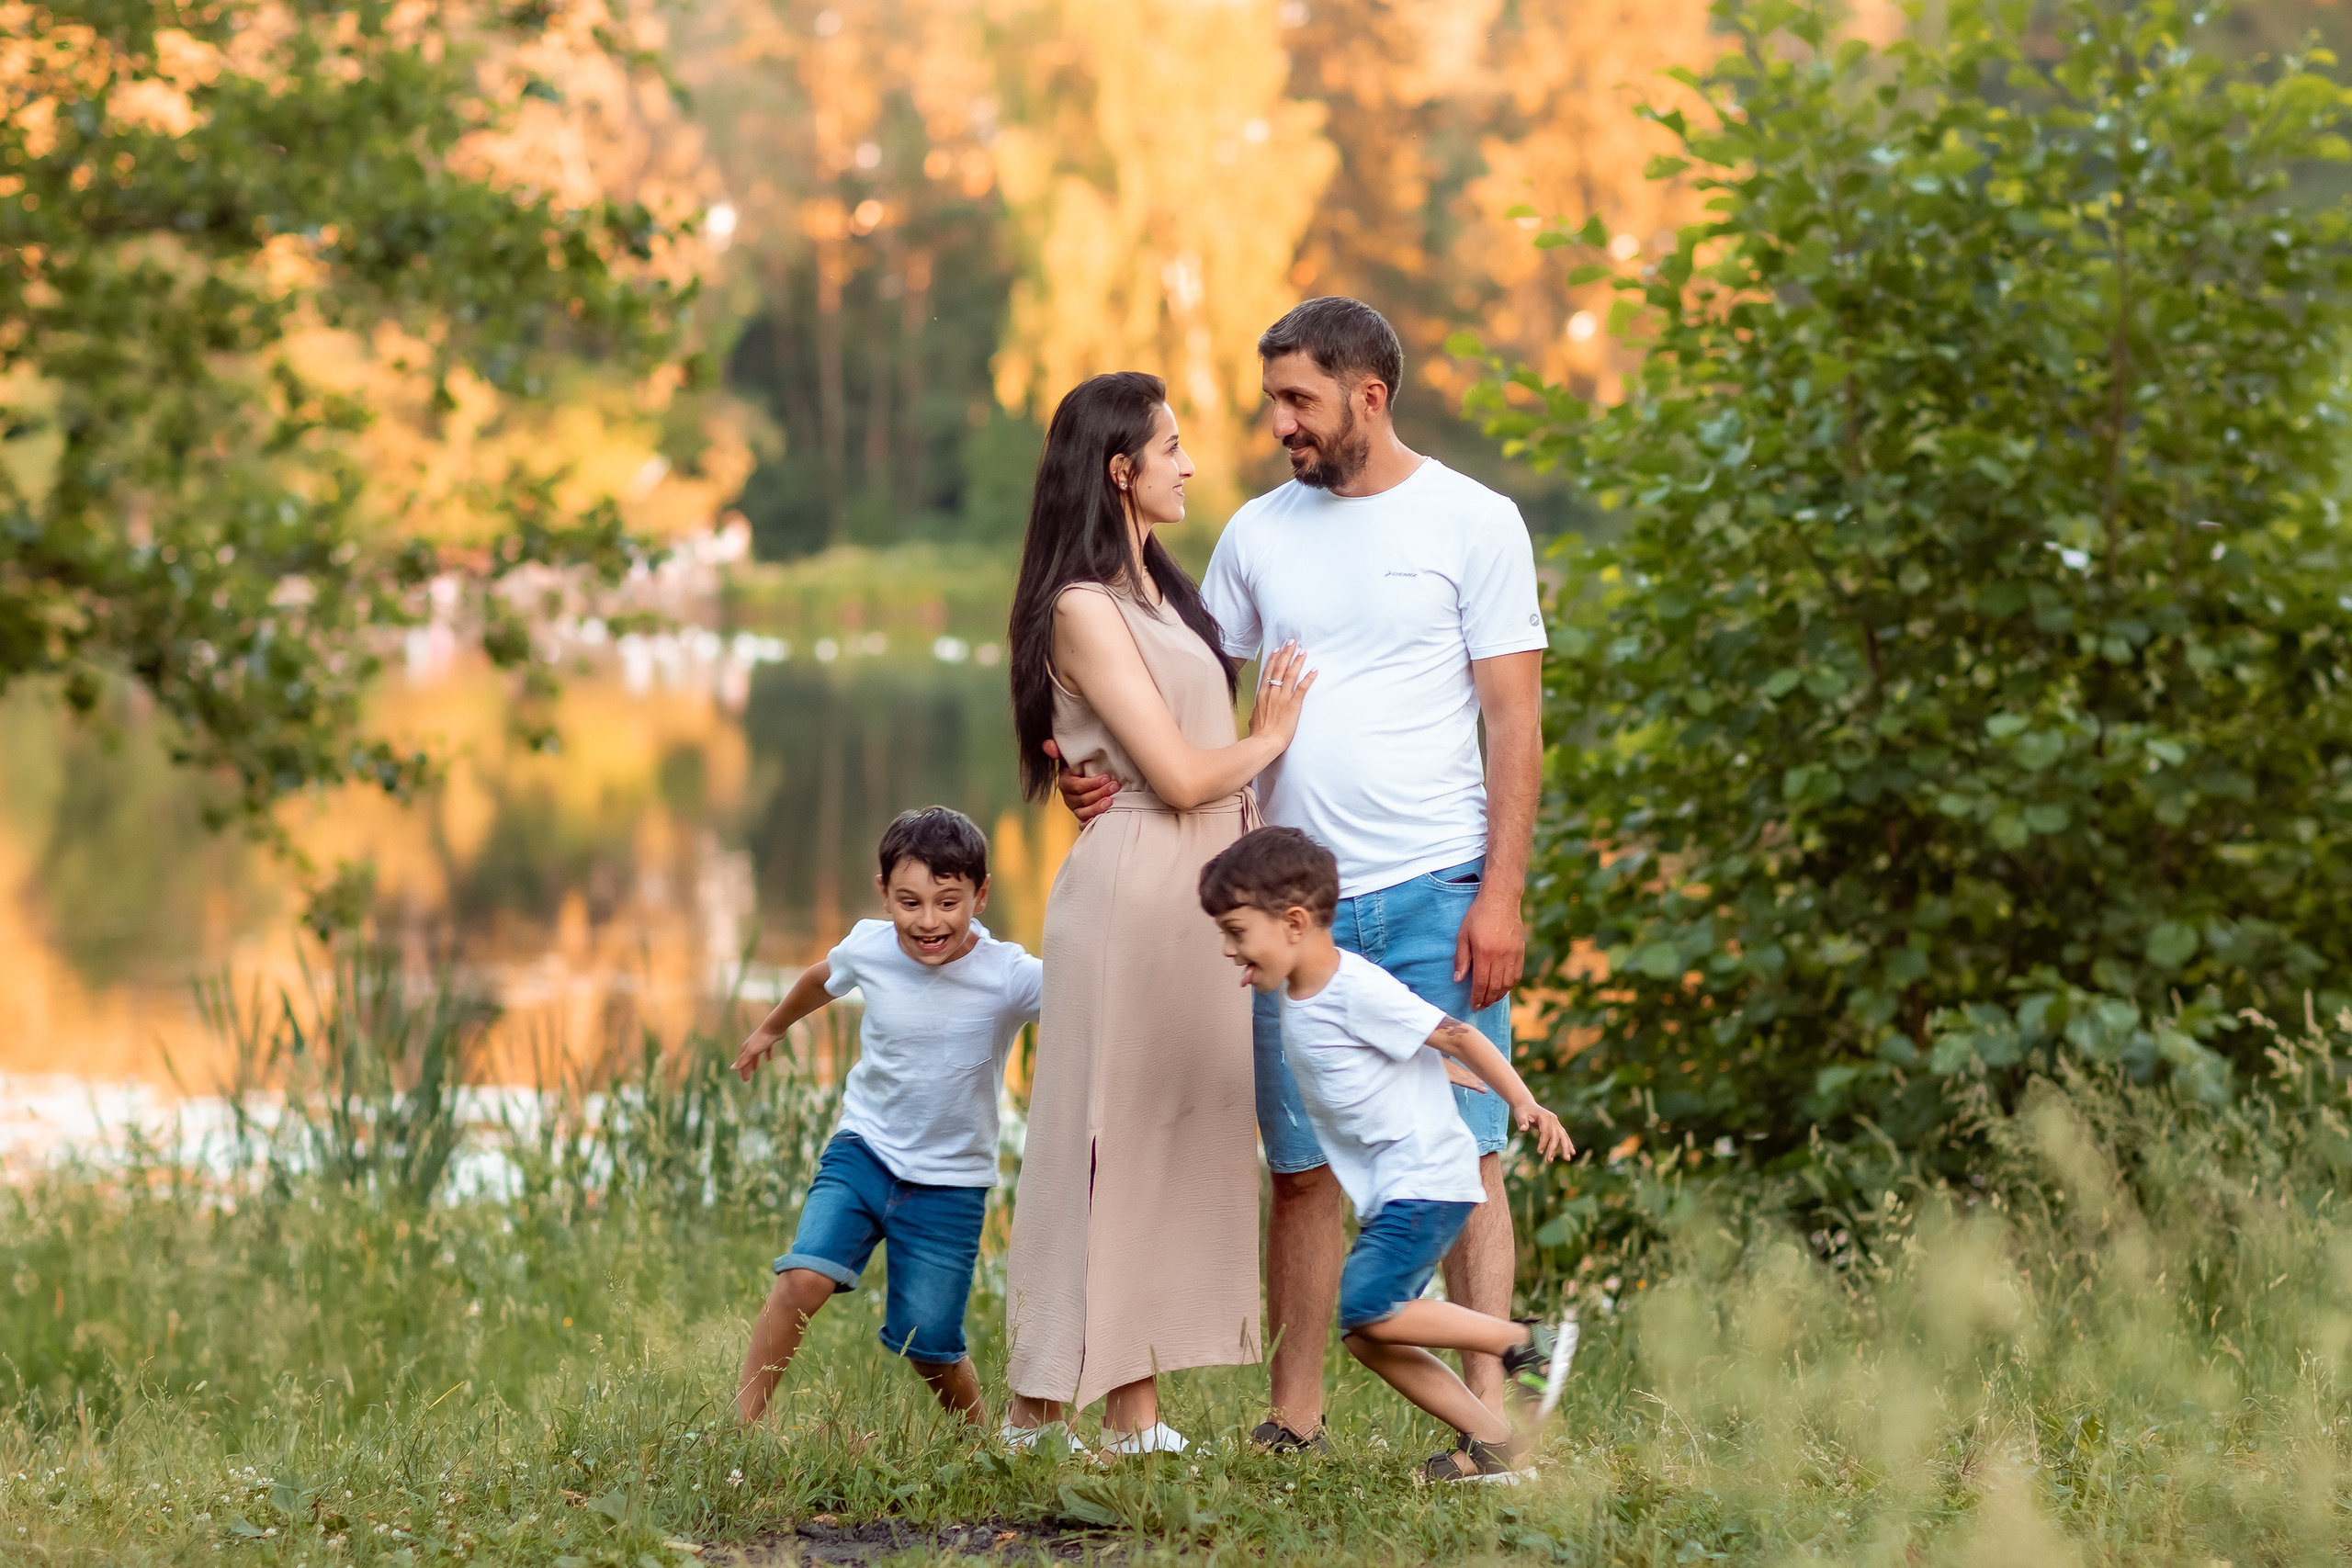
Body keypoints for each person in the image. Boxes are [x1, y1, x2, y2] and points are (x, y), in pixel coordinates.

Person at [1053, 298, 1547, 1450]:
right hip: (1287, 919)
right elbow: (1175, 694)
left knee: (1468, 1154)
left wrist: (1502, 893)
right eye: (1275, 400)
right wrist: (1093, 776)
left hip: (1436, 886)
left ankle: (1492, 1432)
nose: (1279, 423)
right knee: (1299, 1166)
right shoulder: (1256, 535)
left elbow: (1513, 722)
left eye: (1299, 401)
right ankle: (1295, 1421)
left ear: (1368, 397)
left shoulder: (1475, 522)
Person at [1001, 370, 1317, 1457]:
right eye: (1170, 447)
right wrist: (1268, 738)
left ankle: (1101, 1409)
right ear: (1118, 470)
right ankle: (1058, 1404)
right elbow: (1179, 775)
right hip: (1138, 884)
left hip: (1197, 892)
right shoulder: (1083, 608)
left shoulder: (1161, 598)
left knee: (1170, 1134)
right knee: (1101, 1135)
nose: (1189, 463)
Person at [1199, 826, 1575, 1483]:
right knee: (1367, 1331)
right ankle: (1494, 1447)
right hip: (1402, 1184)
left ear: (1292, 922)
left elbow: (1457, 1033)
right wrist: (1423, 1065)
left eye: (1236, 931)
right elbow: (1393, 1046)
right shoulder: (1302, 990)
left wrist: (1523, 1102)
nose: (1229, 949)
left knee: (1369, 1305)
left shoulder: (1352, 985)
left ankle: (1525, 1340)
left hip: (1426, 1177)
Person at [729, 807, 1042, 1428]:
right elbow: (823, 978)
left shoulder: (1010, 975)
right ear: (884, 894)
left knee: (927, 1342)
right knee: (802, 1278)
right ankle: (735, 1428)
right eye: (910, 902)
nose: (929, 921)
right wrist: (771, 1027)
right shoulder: (869, 945)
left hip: (950, 1182)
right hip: (864, 1149)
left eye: (948, 902)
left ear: (980, 895)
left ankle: (983, 1443)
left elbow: (1090, 999)